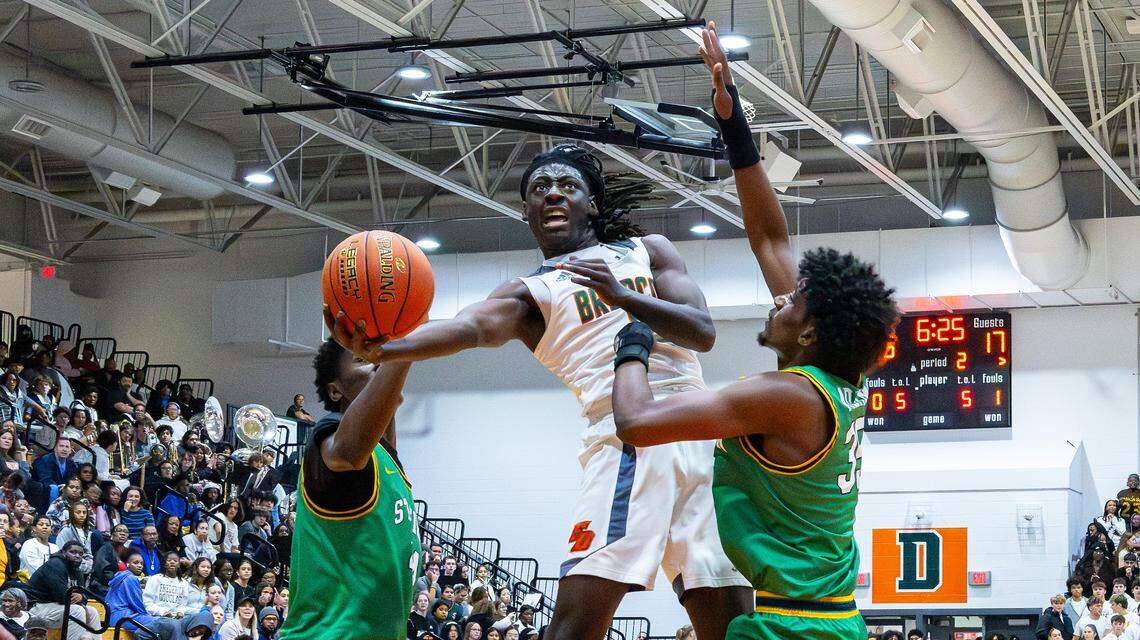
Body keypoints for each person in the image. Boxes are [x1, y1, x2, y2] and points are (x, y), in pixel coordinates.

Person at [370, 89, 748, 640]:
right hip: (627, 439)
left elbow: (702, 332)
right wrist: (386, 345)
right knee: (575, 624)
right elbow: (468, 328)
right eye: (539, 188)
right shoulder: (533, 292)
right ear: (525, 210)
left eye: (567, 185)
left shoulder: (651, 249)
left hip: (702, 437)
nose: (552, 193)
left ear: (591, 203)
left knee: (733, 626)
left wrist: (625, 298)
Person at [607, 22, 897, 640]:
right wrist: (732, 118)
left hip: (796, 629)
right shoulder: (825, 382)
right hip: (821, 619)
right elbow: (770, 237)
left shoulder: (786, 397)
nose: (780, 295)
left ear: (812, 333)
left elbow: (636, 423)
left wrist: (631, 335)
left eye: (793, 299)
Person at [278, 330, 416, 640]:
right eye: (365, 360)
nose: (379, 362)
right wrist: (404, 346)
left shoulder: (387, 460)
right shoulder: (330, 435)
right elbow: (351, 451)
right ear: (336, 390)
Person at [24, 542, 101, 640]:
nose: (77, 556)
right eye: (73, 552)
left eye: (80, 553)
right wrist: (78, 598)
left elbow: (83, 595)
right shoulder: (55, 564)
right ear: (63, 552)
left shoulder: (77, 569)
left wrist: (81, 597)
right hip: (37, 607)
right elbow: (62, 597)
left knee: (92, 611)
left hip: (56, 608)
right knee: (77, 611)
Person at [106, 551, 180, 640]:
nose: (140, 566)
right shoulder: (130, 578)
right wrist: (149, 615)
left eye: (141, 563)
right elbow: (137, 604)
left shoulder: (119, 576)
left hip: (113, 616)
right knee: (165, 624)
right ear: (128, 564)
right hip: (124, 617)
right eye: (135, 563)